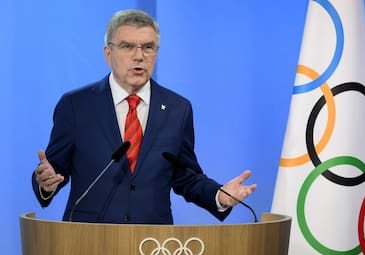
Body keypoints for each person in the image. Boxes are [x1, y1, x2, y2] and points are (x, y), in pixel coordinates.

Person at [32, 9, 256, 224]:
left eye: (148, 47)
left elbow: (186, 176)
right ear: (108, 54)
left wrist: (219, 196)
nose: (139, 56)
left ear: (156, 52)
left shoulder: (178, 109)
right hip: (90, 241)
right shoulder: (75, 105)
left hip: (153, 245)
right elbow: (54, 170)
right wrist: (46, 182)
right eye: (127, 46)